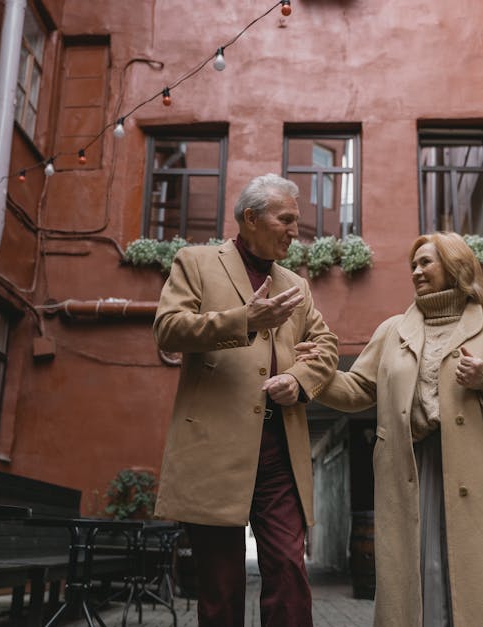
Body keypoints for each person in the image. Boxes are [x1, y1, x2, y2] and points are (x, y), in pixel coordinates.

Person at [297, 231, 483, 626]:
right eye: (414, 265)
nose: (417, 272)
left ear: (455, 266)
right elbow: (358, 388)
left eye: (426, 262)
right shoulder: (392, 332)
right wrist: (313, 374)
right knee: (423, 569)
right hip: (415, 469)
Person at [152, 173, 338, 627]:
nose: (296, 231)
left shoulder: (297, 284)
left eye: (297, 221)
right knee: (220, 583)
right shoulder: (195, 262)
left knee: (290, 569)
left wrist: (299, 378)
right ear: (251, 218)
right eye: (287, 219)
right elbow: (168, 329)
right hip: (214, 448)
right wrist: (243, 320)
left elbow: (327, 345)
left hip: (280, 451)